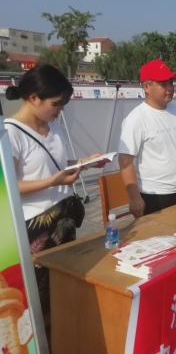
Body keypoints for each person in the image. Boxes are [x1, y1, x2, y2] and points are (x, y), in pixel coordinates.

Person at [4, 64, 105, 326]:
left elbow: (56, 165)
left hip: (63, 217)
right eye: (56, 103)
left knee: (64, 284)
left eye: (63, 104)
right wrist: (52, 182)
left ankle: (65, 333)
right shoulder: (10, 134)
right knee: (40, 295)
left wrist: (85, 162)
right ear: (34, 97)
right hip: (36, 225)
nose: (60, 110)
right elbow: (7, 186)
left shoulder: (52, 125)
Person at [119, 59, 176, 217]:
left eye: (171, 82)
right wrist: (134, 197)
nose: (170, 88)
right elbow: (125, 160)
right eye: (163, 84)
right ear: (146, 87)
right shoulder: (136, 119)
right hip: (153, 195)